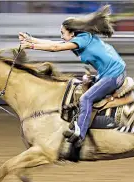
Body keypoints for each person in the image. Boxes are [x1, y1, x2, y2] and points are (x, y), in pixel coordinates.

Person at [19, 5, 126, 147]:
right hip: (111, 73)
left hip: (113, 75)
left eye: (62, 33)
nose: (61, 36)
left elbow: (55, 48)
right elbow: (55, 44)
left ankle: (80, 134)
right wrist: (30, 39)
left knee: (86, 98)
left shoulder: (81, 40)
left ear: (72, 33)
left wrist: (31, 46)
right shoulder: (83, 38)